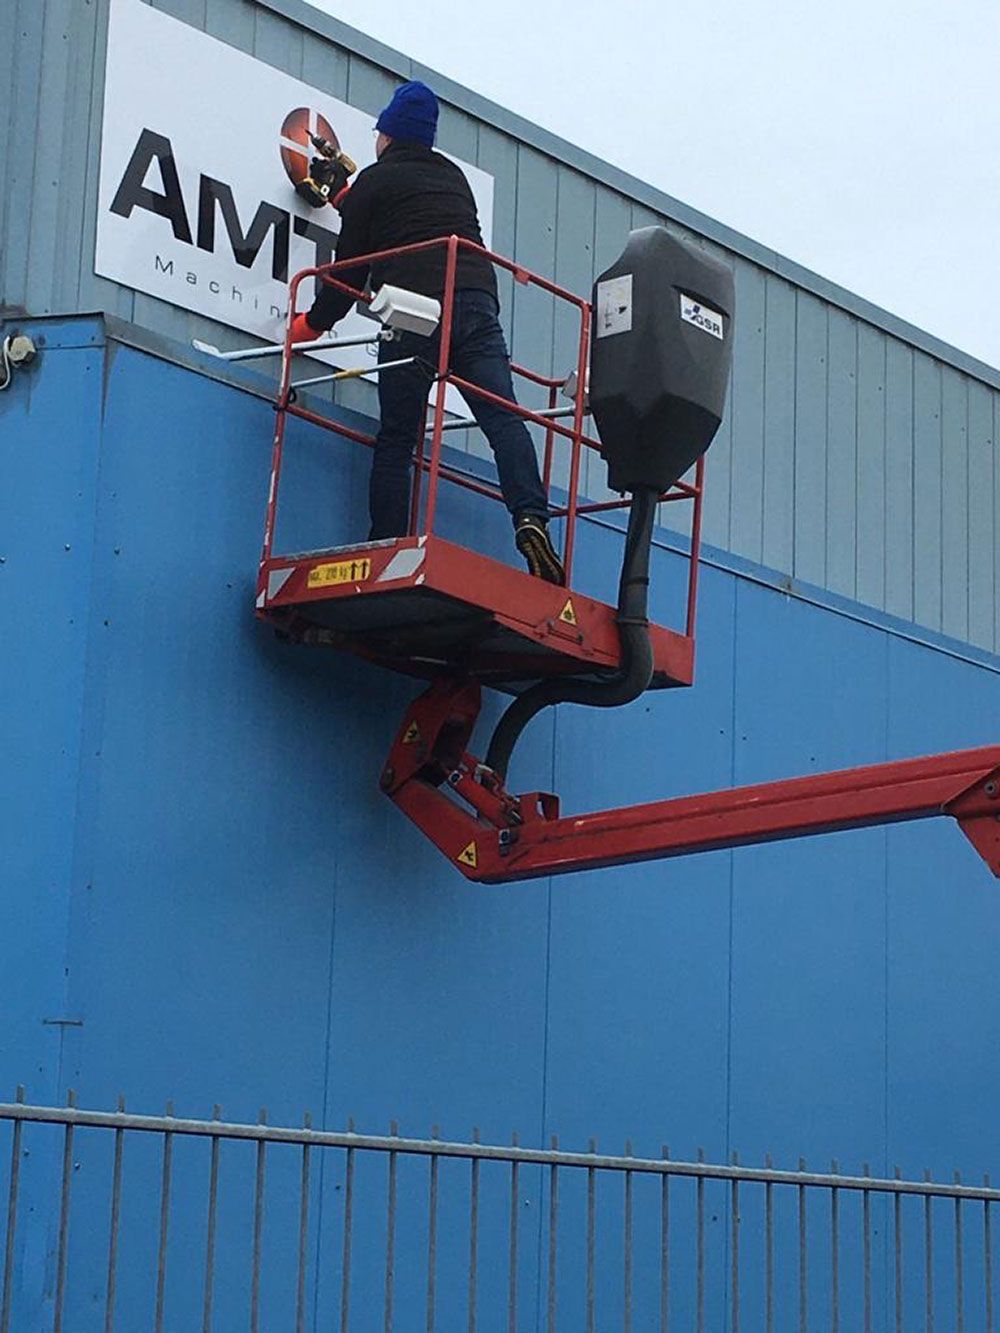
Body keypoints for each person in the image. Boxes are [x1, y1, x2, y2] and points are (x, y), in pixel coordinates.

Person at [289, 80, 565, 585]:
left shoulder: (376, 180)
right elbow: (410, 221)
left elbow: (350, 270)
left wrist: (311, 324)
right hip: (477, 303)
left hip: (414, 312)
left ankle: (388, 543)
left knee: (399, 437)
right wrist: (350, 195)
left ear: (388, 135)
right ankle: (531, 516)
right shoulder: (452, 178)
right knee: (505, 420)